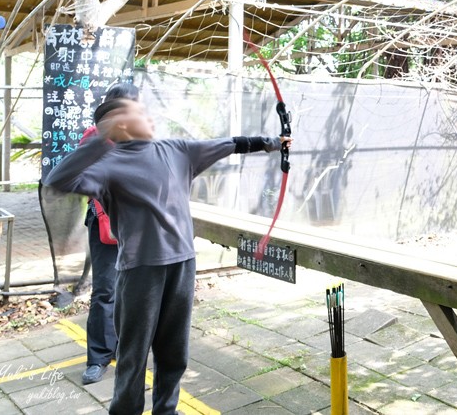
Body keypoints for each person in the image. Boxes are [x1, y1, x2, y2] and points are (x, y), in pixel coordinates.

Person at [45, 96, 291, 415]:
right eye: (137, 113)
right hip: (140, 269)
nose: (148, 116)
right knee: (133, 356)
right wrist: (98, 140)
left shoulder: (177, 150)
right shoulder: (108, 163)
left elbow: (229, 144)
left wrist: (273, 142)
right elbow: (58, 180)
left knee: (174, 352)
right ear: (118, 124)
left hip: (183, 263)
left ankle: (167, 410)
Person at [80, 83, 139, 386]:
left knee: (138, 291)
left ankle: (130, 351)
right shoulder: (95, 137)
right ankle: (99, 357)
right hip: (104, 222)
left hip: (139, 224)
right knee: (105, 289)